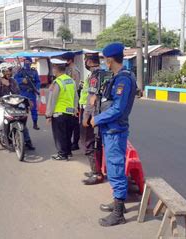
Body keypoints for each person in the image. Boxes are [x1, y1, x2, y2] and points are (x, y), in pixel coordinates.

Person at [90, 42, 137, 227]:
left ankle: (119, 213)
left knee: (116, 167)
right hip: (110, 129)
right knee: (112, 166)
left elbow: (118, 109)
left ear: (109, 60)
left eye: (104, 60)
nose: (104, 63)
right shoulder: (118, 77)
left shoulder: (123, 80)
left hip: (115, 130)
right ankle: (119, 203)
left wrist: (98, 119)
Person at [0, 62, 35, 153]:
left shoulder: (12, 81)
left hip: (12, 103)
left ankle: (28, 142)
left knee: (21, 120)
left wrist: (8, 85)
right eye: (8, 71)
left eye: (10, 71)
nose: (10, 72)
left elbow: (17, 93)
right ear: (2, 71)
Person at [46, 58, 78, 161]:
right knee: (68, 134)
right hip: (70, 112)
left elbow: (52, 99)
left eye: (53, 68)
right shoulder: (71, 81)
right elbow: (75, 96)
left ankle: (62, 154)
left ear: (56, 69)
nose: (53, 70)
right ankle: (68, 152)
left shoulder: (57, 82)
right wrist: (75, 109)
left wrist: (48, 115)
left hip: (59, 113)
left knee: (59, 135)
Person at [80, 52, 105, 185]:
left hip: (93, 115)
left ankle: (97, 173)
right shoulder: (104, 73)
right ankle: (96, 170)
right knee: (97, 143)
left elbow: (91, 99)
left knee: (90, 143)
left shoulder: (94, 76)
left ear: (89, 62)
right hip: (101, 114)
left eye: (86, 61)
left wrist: (86, 117)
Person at [14, 57, 41, 130]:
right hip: (23, 92)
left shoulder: (34, 72)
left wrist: (36, 88)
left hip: (31, 92)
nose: (27, 63)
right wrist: (22, 80)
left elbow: (38, 81)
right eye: (25, 61)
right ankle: (21, 124)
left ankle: (35, 123)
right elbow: (15, 79)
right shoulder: (20, 71)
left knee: (34, 109)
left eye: (28, 61)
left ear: (31, 62)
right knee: (22, 108)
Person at [62, 52, 81, 151]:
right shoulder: (68, 69)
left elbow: (75, 86)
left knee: (74, 122)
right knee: (70, 121)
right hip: (68, 98)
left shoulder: (74, 70)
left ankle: (75, 143)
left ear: (69, 60)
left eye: (65, 60)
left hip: (73, 98)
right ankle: (69, 142)